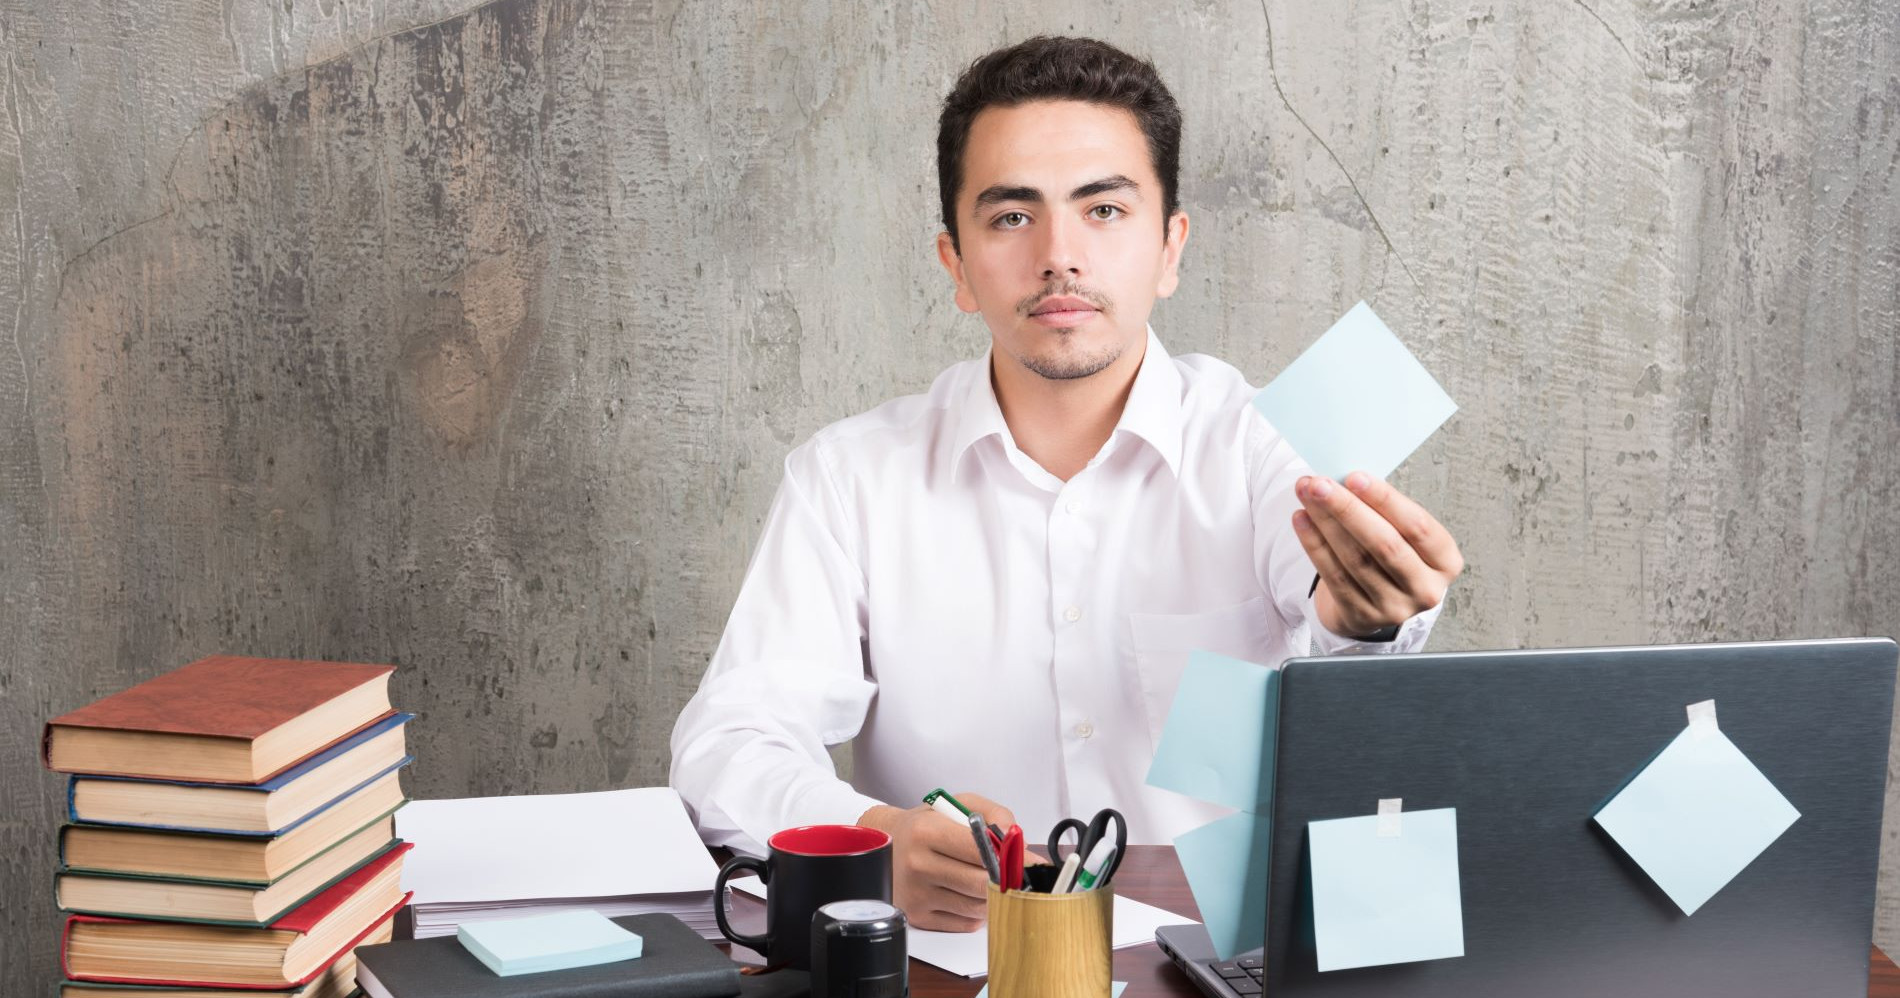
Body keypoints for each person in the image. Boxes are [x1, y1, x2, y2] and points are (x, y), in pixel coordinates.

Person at [669, 36, 1464, 932]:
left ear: (1171, 247)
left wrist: (1367, 616)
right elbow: (729, 742)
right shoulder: (851, 477)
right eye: (1012, 217)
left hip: (1217, 955)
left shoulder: (1261, 441)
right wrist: (871, 833)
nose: (1059, 256)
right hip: (953, 965)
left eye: (1105, 211)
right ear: (956, 265)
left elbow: (1342, 627)